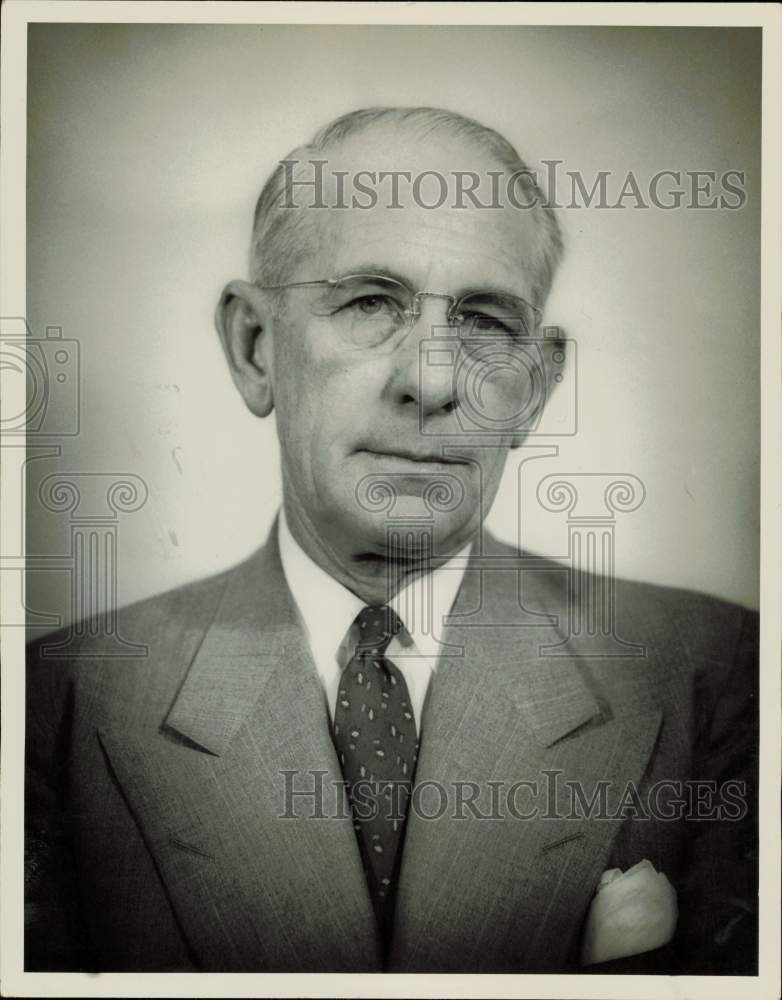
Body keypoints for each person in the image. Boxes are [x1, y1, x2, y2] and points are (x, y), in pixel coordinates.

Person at [25, 107, 758, 974]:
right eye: (370, 303)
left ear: (533, 388)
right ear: (256, 347)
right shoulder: (57, 703)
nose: (433, 381)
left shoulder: (720, 674)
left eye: (485, 322)